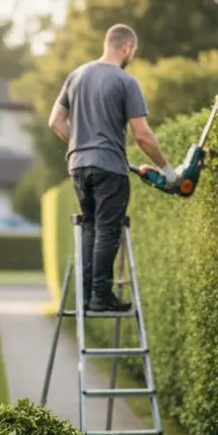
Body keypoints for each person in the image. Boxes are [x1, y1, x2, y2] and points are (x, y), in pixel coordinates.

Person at [47, 23, 177, 313]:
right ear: (127, 48)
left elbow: (55, 121)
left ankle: (87, 296)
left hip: (78, 166)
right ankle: (101, 298)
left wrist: (81, 143)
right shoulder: (125, 82)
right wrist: (166, 169)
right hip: (109, 168)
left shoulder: (76, 75)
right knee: (108, 230)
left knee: (90, 226)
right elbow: (142, 135)